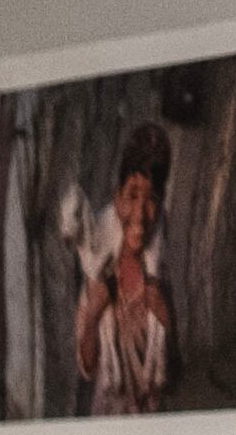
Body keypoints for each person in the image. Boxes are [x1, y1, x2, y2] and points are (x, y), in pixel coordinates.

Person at [70, 126, 175, 415]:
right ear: (117, 198)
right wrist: (93, 313)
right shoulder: (99, 264)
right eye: (132, 196)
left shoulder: (162, 269)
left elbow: (175, 375)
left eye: (151, 199)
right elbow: (88, 368)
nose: (140, 213)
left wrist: (164, 315)